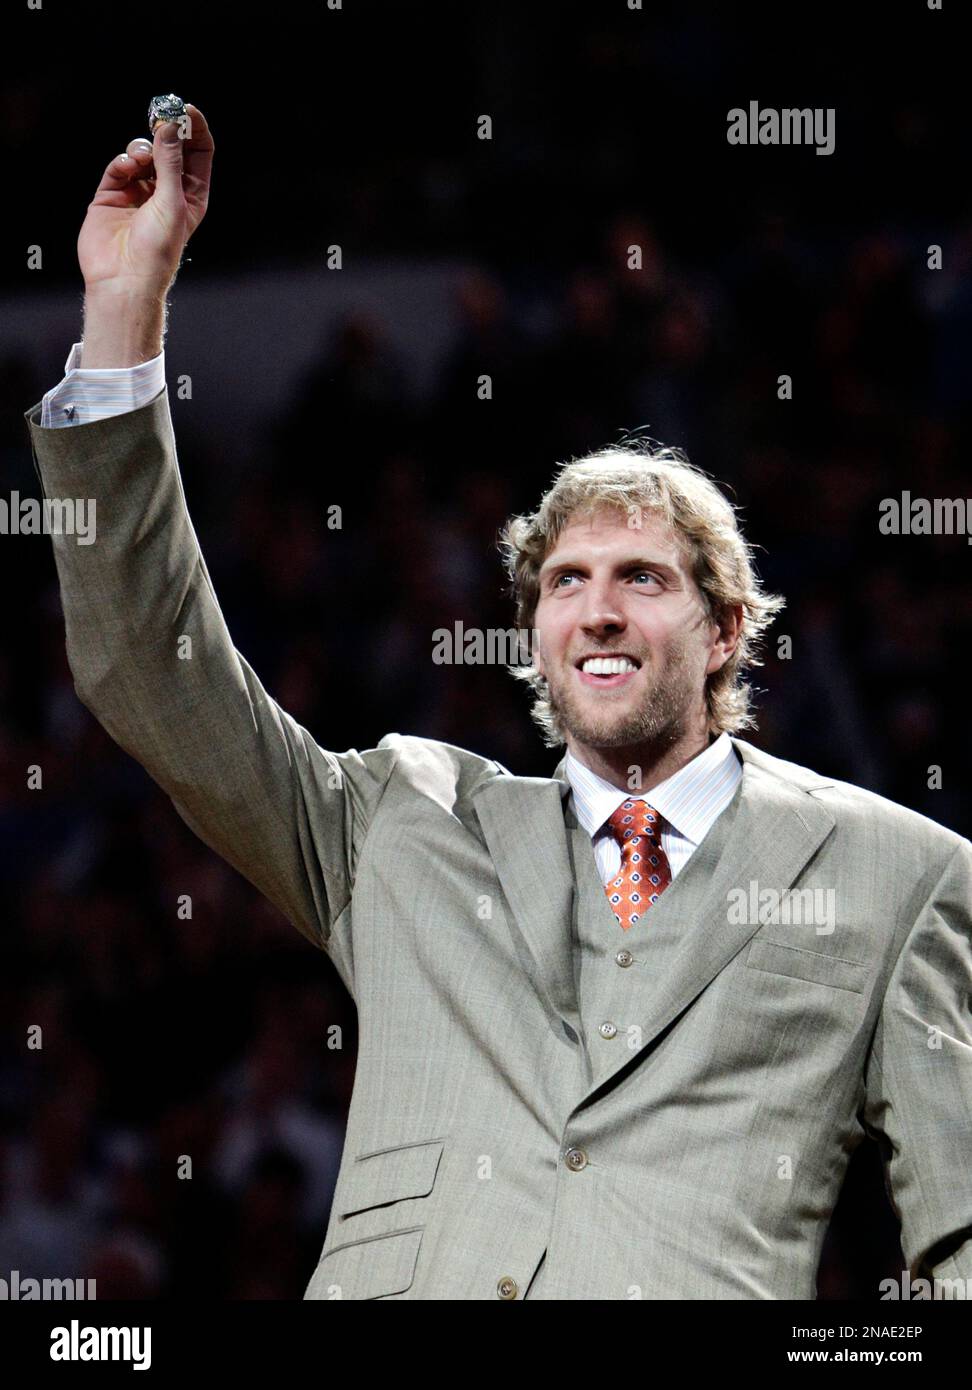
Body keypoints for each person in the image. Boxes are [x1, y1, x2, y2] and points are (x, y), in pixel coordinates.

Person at [24, 105, 972, 1301]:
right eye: (565, 582)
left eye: (643, 578)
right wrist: (122, 313)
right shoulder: (398, 822)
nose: (599, 610)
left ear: (726, 628)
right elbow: (154, 675)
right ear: (534, 638)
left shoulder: (899, 872)